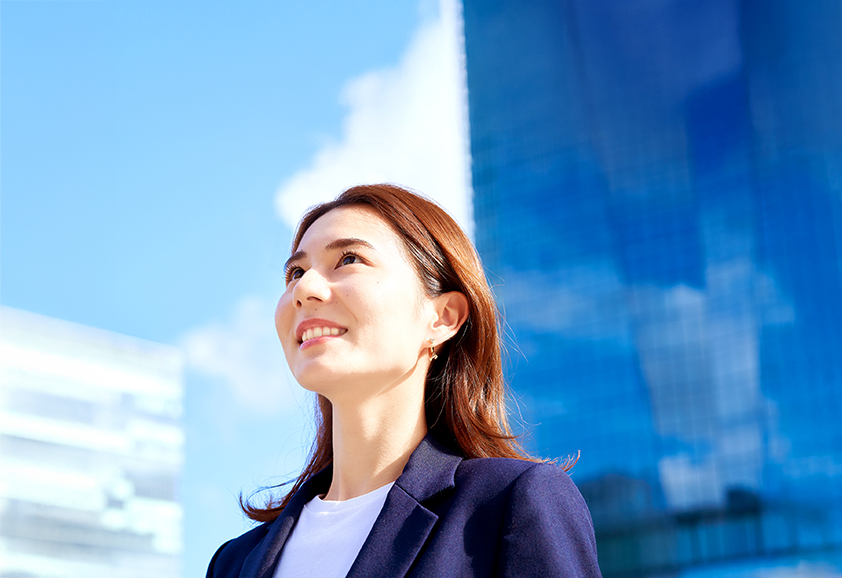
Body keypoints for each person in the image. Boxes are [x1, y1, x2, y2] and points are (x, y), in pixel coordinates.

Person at [206, 184, 601, 578]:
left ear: (443, 317)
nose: (303, 288)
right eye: (295, 272)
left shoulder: (509, 504)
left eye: (348, 258)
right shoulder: (233, 562)